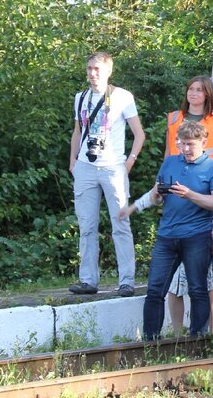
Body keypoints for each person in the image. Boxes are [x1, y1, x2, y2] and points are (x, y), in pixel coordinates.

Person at [123, 120, 213, 339]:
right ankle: (152, 340)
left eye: (191, 145)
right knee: (154, 290)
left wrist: (189, 194)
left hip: (197, 236)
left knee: (198, 288)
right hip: (167, 235)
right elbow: (156, 194)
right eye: (182, 144)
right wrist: (154, 198)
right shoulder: (170, 162)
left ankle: (197, 338)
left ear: (204, 143)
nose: (186, 150)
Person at [69, 52, 145, 297]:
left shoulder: (122, 97)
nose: (92, 73)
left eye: (97, 69)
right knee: (87, 226)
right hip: (85, 167)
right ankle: (88, 280)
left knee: (120, 223)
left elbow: (139, 134)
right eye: (89, 68)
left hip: (113, 166)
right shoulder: (80, 97)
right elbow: (77, 131)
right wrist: (73, 162)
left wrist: (129, 162)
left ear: (109, 71)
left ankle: (126, 281)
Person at [165, 76, 213, 333]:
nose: (194, 93)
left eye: (199, 89)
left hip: (209, 197)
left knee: (203, 276)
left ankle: (208, 331)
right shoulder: (173, 119)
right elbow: (167, 158)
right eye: (190, 88)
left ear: (208, 94)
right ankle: (189, 333)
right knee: (184, 278)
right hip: (180, 202)